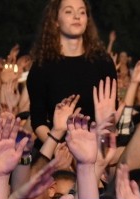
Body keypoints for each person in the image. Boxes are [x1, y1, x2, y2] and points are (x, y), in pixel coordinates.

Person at [27, 0, 116, 143]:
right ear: (55, 21)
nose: (77, 16)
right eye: (69, 11)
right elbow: (38, 121)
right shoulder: (41, 67)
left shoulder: (103, 62)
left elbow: (111, 113)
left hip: (97, 145)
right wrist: (59, 152)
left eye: (82, 12)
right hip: (58, 148)